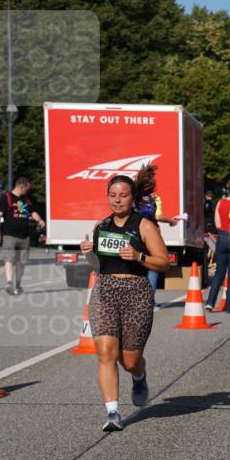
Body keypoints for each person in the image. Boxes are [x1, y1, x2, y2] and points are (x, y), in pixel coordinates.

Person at [80, 175, 170, 431]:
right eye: (113, 195)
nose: (117, 200)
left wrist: (139, 256)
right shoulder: (102, 226)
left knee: (129, 360)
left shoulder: (144, 226)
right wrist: (88, 253)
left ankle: (139, 376)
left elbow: (163, 262)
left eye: (123, 195)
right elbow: (98, 266)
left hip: (137, 291)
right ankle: (112, 413)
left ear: (132, 198)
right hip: (105, 290)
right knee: (106, 352)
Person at [132, 165, 183, 292]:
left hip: (134, 233)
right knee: (153, 266)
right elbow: (158, 217)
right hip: (152, 235)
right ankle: (150, 297)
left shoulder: (132, 198)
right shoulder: (154, 199)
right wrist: (171, 221)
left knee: (135, 262)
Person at [0, 176, 45, 295]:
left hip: (25, 236)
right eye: (26, 189)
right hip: (9, 235)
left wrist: (40, 220)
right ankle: (9, 283)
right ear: (21, 187)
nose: (27, 191)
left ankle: (18, 285)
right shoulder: (6, 197)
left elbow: (32, 212)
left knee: (22, 262)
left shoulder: (26, 199)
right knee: (9, 258)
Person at [205, 177, 230, 313]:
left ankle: (210, 302)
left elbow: (217, 223)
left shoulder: (221, 202)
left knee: (219, 272)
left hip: (221, 237)